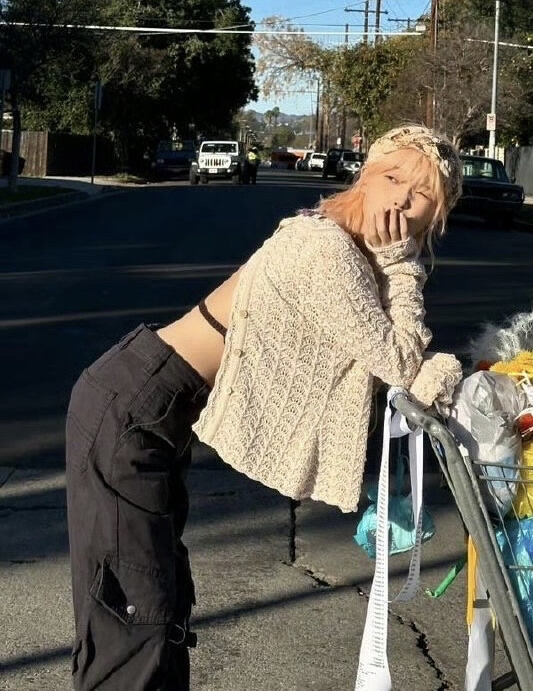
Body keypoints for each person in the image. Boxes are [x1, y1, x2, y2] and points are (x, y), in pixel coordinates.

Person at [65, 124, 464, 691]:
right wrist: (402, 268)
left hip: (156, 408)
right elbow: (400, 365)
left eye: (420, 193)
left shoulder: (346, 248)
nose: (400, 198)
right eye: (392, 176)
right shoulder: (326, 250)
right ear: (365, 175)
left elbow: (392, 362)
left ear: (435, 214)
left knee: (159, 604)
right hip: (133, 406)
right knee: (137, 615)